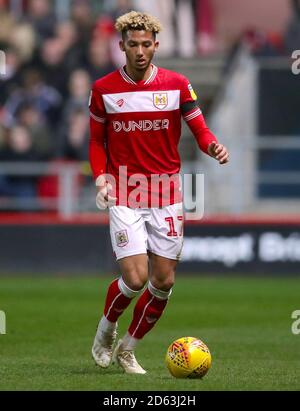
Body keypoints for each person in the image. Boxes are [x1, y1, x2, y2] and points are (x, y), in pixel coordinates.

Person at [89, 10, 229, 375]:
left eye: (146, 45)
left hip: (166, 194)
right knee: (135, 279)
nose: (139, 51)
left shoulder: (177, 84)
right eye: (132, 45)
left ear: (156, 46)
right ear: (121, 46)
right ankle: (105, 331)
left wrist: (212, 145)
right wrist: (101, 177)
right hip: (124, 192)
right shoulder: (104, 89)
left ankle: (128, 349)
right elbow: (95, 140)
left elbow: (200, 130)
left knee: (163, 281)